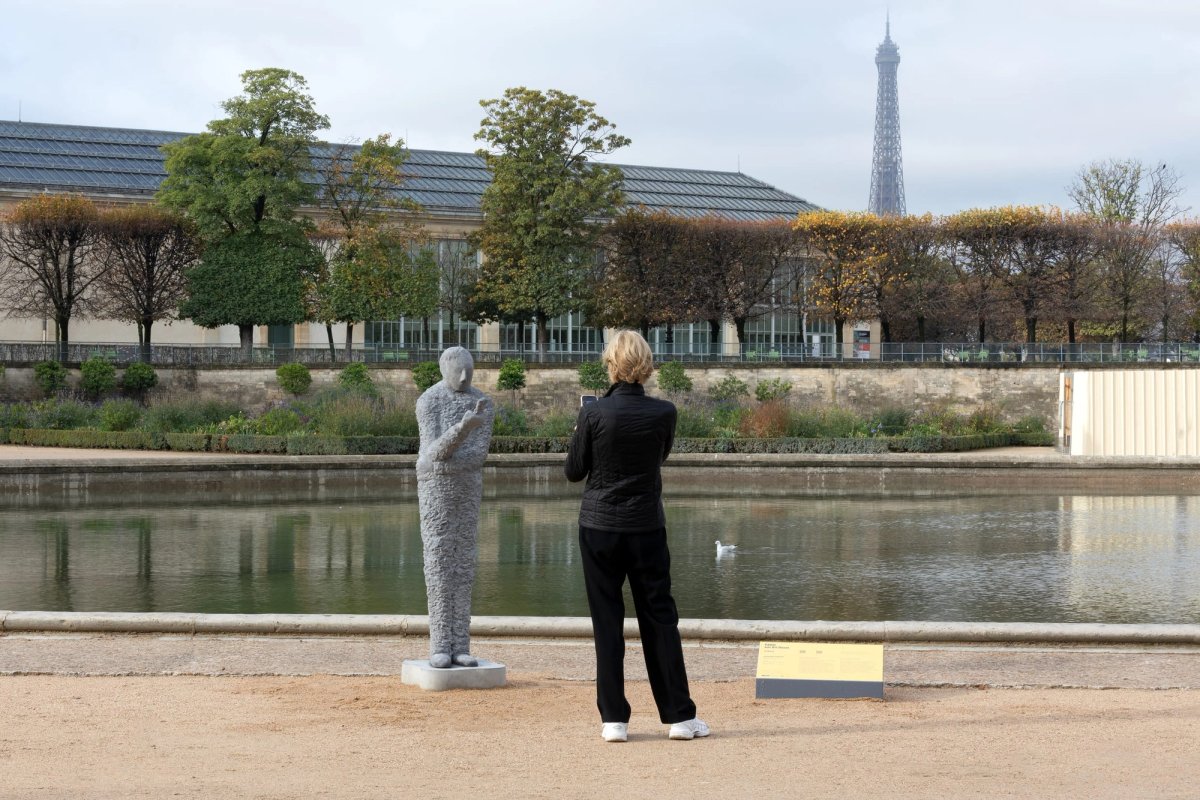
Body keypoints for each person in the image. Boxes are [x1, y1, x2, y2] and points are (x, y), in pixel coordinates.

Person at [564, 330, 708, 743]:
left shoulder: (594, 414)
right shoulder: (665, 412)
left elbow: (575, 471)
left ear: (611, 364)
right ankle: (679, 717)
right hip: (645, 526)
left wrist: (582, 423)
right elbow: (658, 458)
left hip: (599, 528)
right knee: (660, 618)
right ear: (645, 366)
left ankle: (614, 720)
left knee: (606, 621)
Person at [415, 346, 494, 669]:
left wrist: (450, 458)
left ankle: (460, 644)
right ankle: (439, 645)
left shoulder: (483, 403)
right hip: (436, 493)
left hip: (466, 492)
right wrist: (462, 429)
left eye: (469, 372)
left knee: (463, 566)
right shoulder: (429, 401)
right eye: (458, 372)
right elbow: (431, 454)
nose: (464, 378)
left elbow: (477, 457)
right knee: (438, 565)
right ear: (443, 368)